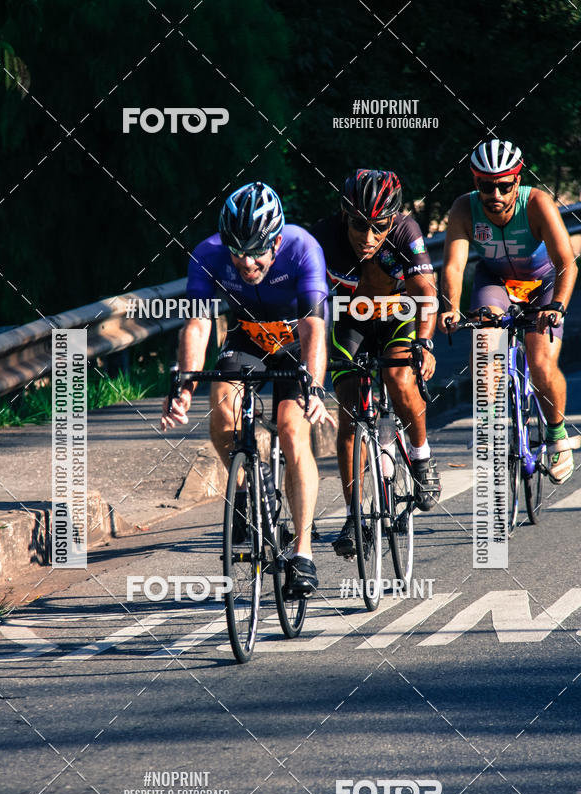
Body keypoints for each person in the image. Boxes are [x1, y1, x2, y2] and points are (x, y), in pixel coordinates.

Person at [161, 181, 332, 594]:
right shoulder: (208, 254)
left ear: (276, 242)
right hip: (247, 338)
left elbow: (314, 326)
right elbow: (198, 324)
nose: (246, 262)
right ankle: (245, 488)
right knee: (223, 412)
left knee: (291, 430)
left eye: (256, 251)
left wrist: (313, 387)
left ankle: (303, 554)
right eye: (237, 251)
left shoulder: (303, 248)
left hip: (295, 343)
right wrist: (184, 386)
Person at [311, 168, 440, 558]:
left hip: (398, 315)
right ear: (344, 214)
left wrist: (425, 342)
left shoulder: (405, 233)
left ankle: (421, 457)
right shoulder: (324, 236)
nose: (367, 237)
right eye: (358, 225)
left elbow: (425, 292)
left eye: (378, 227)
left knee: (399, 378)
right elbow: (306, 298)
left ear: (392, 219)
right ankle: (354, 516)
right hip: (350, 321)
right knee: (350, 413)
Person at [438, 139, 577, 484]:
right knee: (485, 349)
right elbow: (453, 266)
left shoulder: (537, 203)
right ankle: (493, 428)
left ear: (517, 180)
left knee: (541, 363)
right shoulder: (464, 208)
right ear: (476, 182)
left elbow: (565, 262)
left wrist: (558, 305)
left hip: (542, 283)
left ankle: (557, 435)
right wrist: (451, 308)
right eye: (486, 186)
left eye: (504, 185)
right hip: (496, 281)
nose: (495, 194)